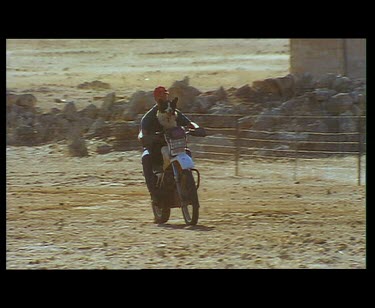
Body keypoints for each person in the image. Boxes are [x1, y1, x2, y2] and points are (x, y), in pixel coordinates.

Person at [138, 86, 205, 204]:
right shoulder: (148, 117)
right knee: (146, 158)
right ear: (156, 98)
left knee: (187, 152)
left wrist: (197, 128)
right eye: (160, 95)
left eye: (165, 94)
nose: (163, 97)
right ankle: (154, 194)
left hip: (174, 146)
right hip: (156, 149)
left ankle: (188, 183)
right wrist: (146, 137)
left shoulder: (173, 112)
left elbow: (188, 122)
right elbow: (143, 131)